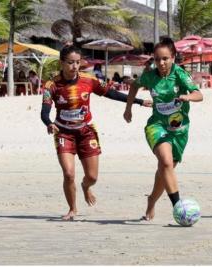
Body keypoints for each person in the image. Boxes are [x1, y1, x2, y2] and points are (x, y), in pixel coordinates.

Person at [40, 45, 152, 220]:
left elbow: (112, 93)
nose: (74, 66)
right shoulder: (51, 85)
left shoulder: (89, 80)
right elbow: (44, 110)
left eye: (77, 62)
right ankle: (72, 209)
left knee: (92, 177)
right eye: (70, 63)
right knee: (69, 174)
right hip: (63, 132)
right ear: (62, 63)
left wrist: (138, 101)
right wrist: (48, 123)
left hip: (86, 131)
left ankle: (85, 187)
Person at [123, 37, 203, 221]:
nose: (161, 63)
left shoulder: (180, 74)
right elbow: (134, 86)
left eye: (165, 58)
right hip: (156, 126)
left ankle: (152, 200)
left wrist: (187, 97)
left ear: (173, 58)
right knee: (166, 162)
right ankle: (179, 207)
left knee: (165, 169)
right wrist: (128, 108)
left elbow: (199, 95)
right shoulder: (150, 76)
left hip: (179, 130)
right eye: (157, 59)